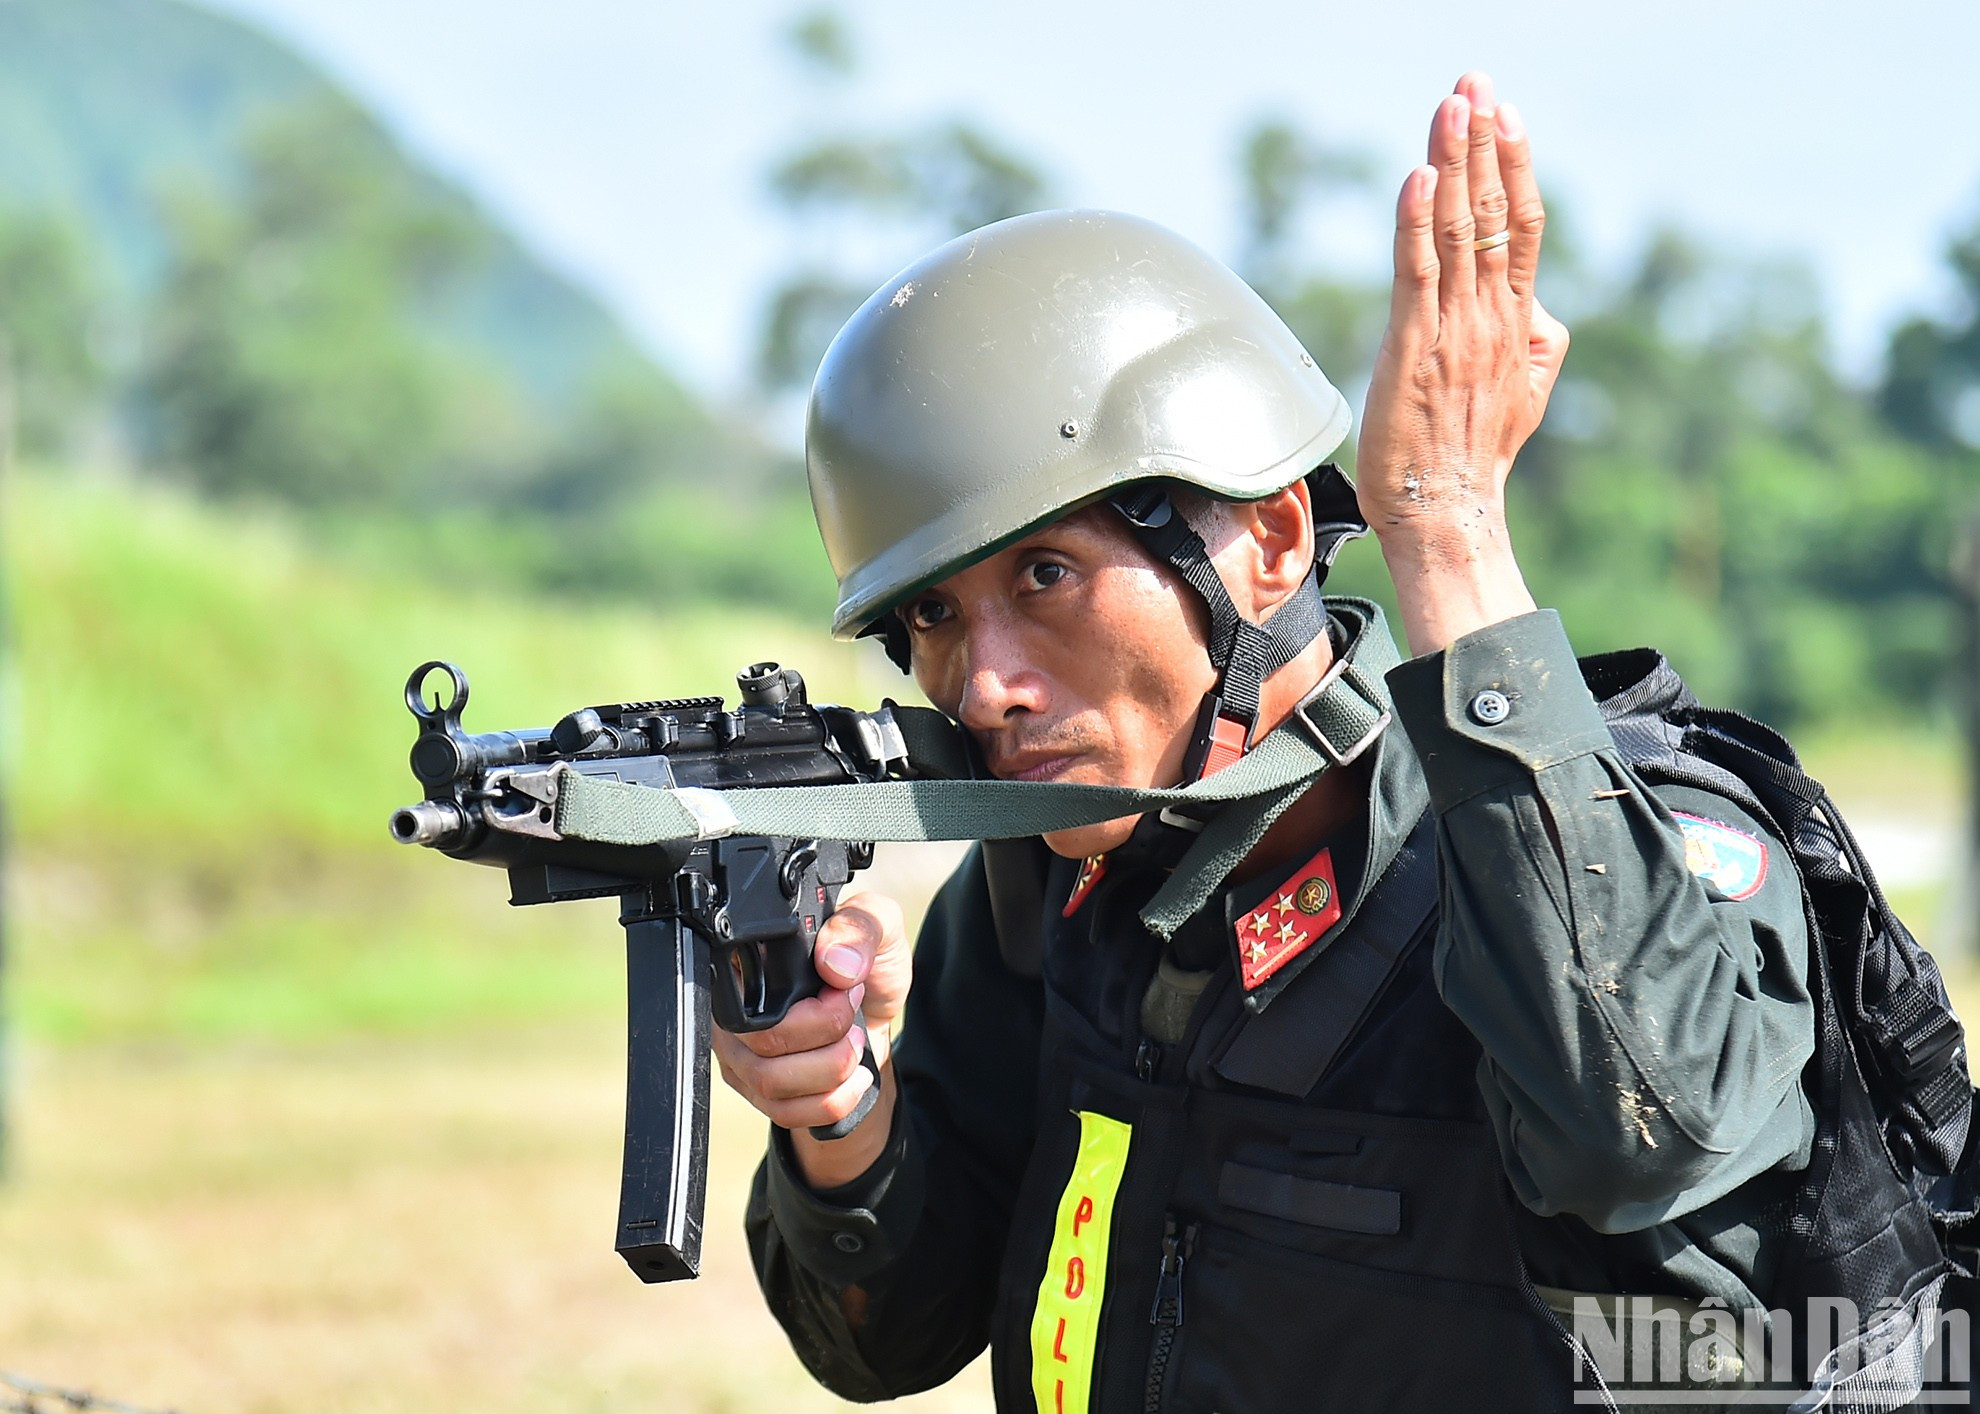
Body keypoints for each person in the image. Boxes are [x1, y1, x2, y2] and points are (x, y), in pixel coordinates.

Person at [713, 73, 1821, 1411]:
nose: (985, 681)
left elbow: (1651, 1133)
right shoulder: (1057, 892)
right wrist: (837, 1109)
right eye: (937, 614)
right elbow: (886, 1335)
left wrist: (1451, 531)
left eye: (1048, 576)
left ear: (1275, 539)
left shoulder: (1608, 847)